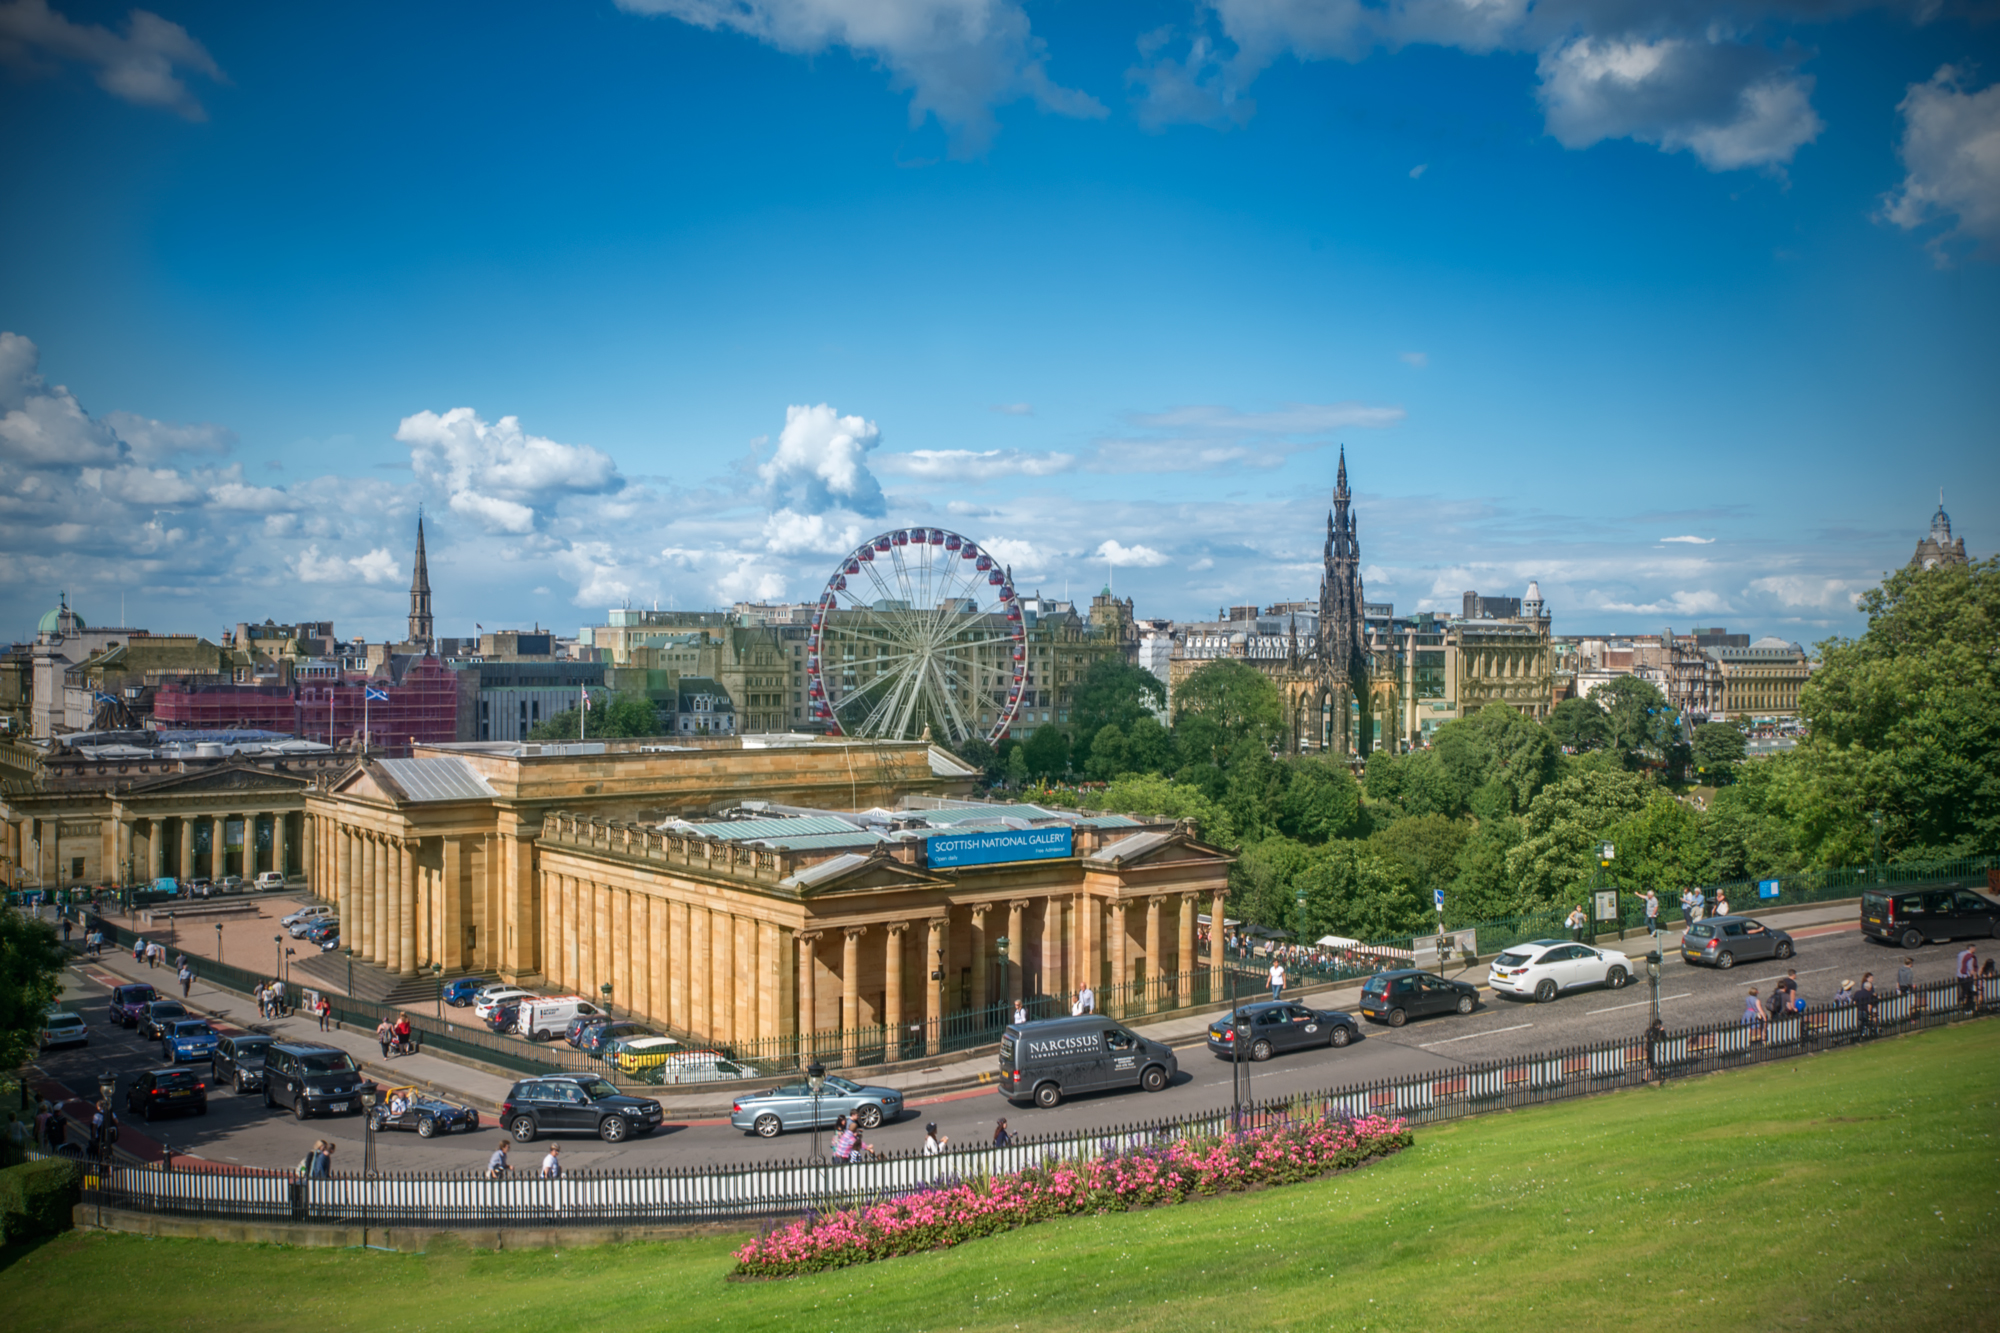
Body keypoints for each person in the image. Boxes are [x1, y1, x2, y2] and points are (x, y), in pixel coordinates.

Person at [1957, 943, 1979, 1010]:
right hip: (1967, 976)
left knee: (1963, 991)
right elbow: (1970, 967)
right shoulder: (1971, 957)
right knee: (1969, 992)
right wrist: (1974, 974)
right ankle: (1968, 1006)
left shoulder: (1960, 954)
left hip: (1960, 975)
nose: (1975, 950)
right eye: (1974, 948)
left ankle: (1960, 1002)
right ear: (1972, 948)